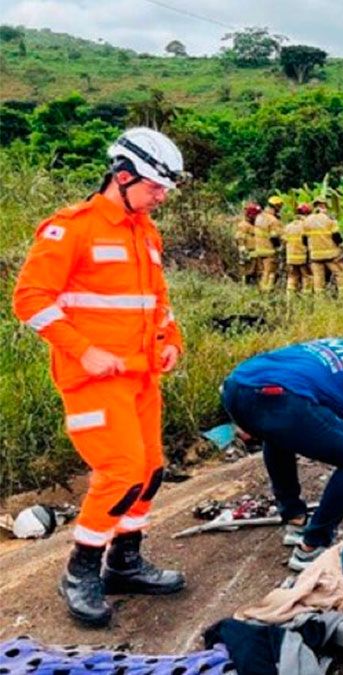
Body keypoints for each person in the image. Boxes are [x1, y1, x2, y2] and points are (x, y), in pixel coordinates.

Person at [12, 127, 188, 627]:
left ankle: (124, 563)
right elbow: (29, 300)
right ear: (124, 176)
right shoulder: (72, 228)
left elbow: (157, 300)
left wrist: (171, 339)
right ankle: (80, 571)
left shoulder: (145, 231)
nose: (161, 197)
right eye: (155, 187)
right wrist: (83, 351)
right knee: (121, 472)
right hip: (93, 379)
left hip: (140, 375)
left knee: (150, 469)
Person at [220, 337, 343, 571]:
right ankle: (312, 546)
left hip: (235, 387)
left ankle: (294, 519)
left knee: (280, 432)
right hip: (279, 397)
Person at [305, 198, 343, 297]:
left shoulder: (307, 220)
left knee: (318, 277)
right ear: (323, 206)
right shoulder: (329, 219)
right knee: (340, 274)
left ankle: (319, 300)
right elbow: (336, 236)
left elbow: (304, 238)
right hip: (331, 254)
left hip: (315, 255)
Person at [253, 196, 284, 292]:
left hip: (259, 249)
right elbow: (274, 236)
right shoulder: (273, 220)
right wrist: (278, 247)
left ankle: (261, 289)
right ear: (277, 206)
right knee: (269, 272)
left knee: (262, 272)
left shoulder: (259, 216)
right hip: (269, 250)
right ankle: (266, 292)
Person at [282, 203, 313, 295]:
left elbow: (284, 241)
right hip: (303, 257)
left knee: (292, 276)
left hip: (290, 257)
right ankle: (306, 297)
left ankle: (290, 296)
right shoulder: (306, 225)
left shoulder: (288, 226)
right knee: (306, 276)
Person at [235, 203, 260, 284]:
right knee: (246, 273)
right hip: (248, 253)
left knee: (257, 273)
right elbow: (239, 238)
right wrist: (242, 250)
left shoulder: (256, 225)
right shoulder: (243, 225)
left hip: (256, 254)